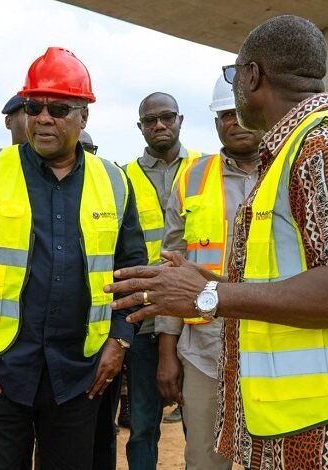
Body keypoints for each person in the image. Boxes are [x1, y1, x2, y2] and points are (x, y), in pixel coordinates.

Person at [107, 15, 328, 469]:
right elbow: (298, 278)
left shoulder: (327, 147)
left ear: (253, 75)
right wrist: (212, 282)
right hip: (309, 423)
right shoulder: (295, 151)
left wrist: (208, 295)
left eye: (233, 74)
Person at [0, 47, 147, 469]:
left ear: (84, 117)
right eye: (33, 106)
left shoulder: (114, 182)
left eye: (58, 108)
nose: (43, 118)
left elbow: (132, 270)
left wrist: (119, 340)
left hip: (80, 373)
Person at [155, 76, 262, 470]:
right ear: (216, 122)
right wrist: (167, 352)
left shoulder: (287, 172)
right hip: (204, 350)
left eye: (240, 113)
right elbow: (173, 267)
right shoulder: (193, 177)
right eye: (224, 115)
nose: (234, 122)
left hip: (274, 347)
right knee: (203, 458)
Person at [122, 92, 202, 470]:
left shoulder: (207, 170)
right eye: (150, 120)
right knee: (141, 426)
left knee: (198, 424)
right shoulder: (123, 178)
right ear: (141, 127)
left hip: (197, 316)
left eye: (166, 117)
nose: (159, 125)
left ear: (180, 120)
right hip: (144, 318)